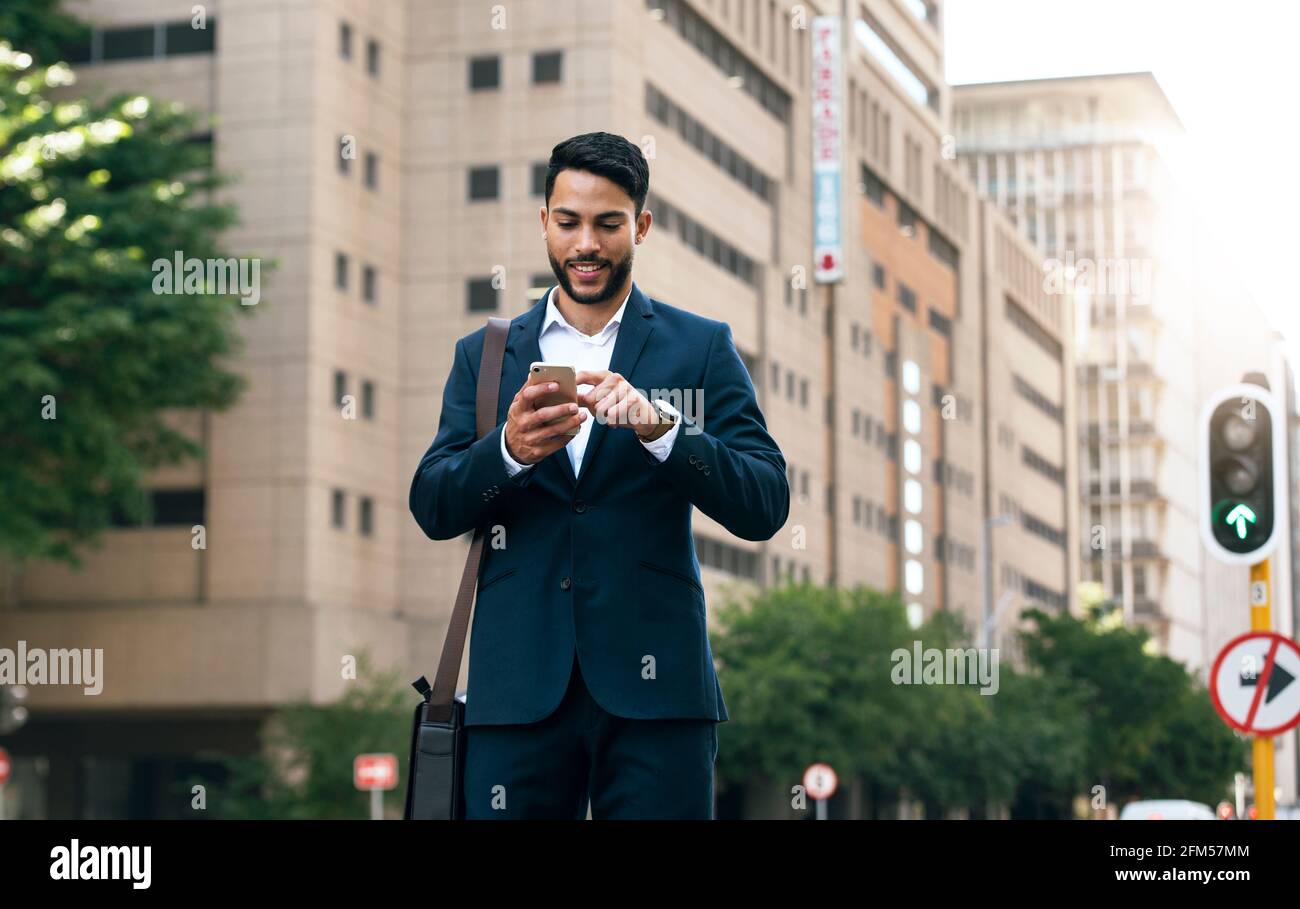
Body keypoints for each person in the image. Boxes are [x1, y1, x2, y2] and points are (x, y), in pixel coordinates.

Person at [409, 131, 789, 819]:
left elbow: (765, 501)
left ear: (639, 225)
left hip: (657, 699)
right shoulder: (487, 354)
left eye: (608, 223)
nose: (586, 242)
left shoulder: (700, 345)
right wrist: (509, 450)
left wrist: (662, 429)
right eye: (569, 221)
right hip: (517, 695)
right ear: (544, 223)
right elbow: (433, 503)